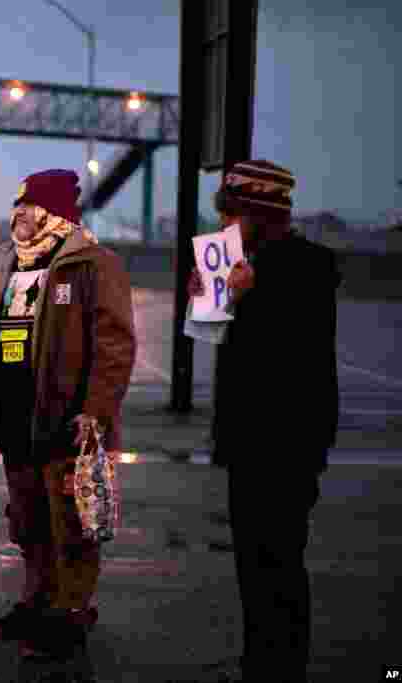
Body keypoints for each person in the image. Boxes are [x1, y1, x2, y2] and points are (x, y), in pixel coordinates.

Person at [0, 169, 136, 661]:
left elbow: (114, 344)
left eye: (29, 205)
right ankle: (37, 601)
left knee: (71, 524)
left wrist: (97, 410)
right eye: (17, 204)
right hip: (13, 415)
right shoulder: (5, 262)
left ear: (54, 213)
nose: (18, 213)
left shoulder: (93, 263)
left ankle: (71, 613)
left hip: (68, 420)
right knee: (27, 520)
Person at [190, 160, 339, 683]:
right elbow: (214, 338)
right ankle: (261, 662)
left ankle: (282, 667)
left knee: (278, 562)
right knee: (252, 564)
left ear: (261, 213)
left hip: (287, 441)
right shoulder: (239, 261)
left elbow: (294, 356)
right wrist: (210, 300)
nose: (226, 223)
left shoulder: (305, 266)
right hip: (246, 438)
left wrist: (249, 297)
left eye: (233, 212)